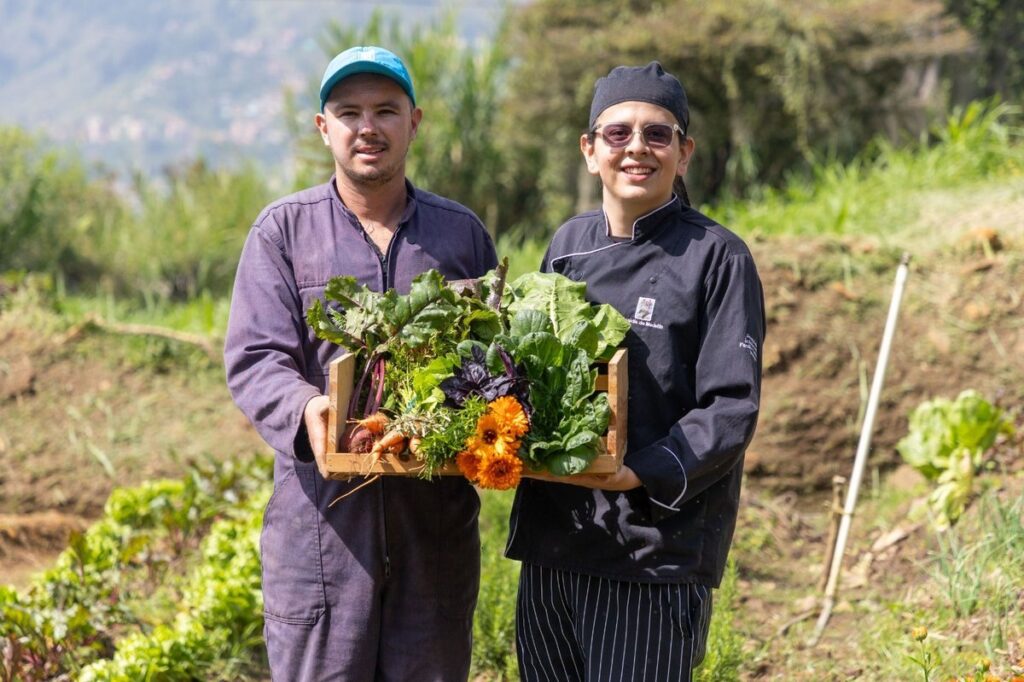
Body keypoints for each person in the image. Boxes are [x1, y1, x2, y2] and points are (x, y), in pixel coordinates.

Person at [224, 45, 497, 681]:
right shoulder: (282, 232)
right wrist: (307, 406)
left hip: (435, 526)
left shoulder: (460, 236)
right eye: (349, 112)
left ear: (414, 121)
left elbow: (492, 353)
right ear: (324, 127)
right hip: (322, 527)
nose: (367, 127)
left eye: (385, 110)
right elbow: (255, 356)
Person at [505, 61, 765, 681]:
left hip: (652, 553)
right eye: (618, 134)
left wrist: (635, 473)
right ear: (590, 150)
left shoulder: (717, 257)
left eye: (658, 134)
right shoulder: (567, 245)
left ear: (685, 152)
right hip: (553, 544)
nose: (637, 149)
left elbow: (731, 408)